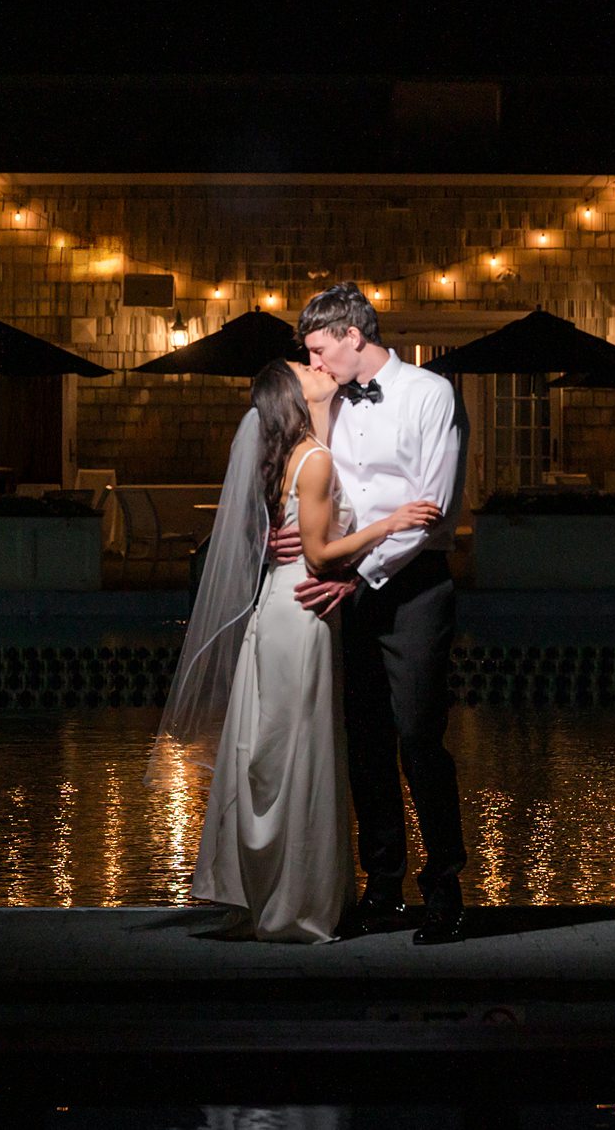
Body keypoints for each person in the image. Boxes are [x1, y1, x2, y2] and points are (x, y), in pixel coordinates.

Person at [157, 355, 442, 943]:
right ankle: (296, 901)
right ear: (294, 393)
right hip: (305, 609)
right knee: (301, 753)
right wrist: (390, 524)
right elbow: (316, 555)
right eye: (304, 366)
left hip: (278, 606)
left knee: (275, 750)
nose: (316, 366)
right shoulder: (313, 459)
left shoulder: (286, 456)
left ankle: (269, 891)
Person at [273, 282, 469, 944]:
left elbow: (431, 509)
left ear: (353, 333)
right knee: (365, 745)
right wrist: (293, 530)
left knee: (418, 736)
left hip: (414, 588)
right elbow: (314, 480)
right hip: (344, 586)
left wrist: (356, 576)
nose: (315, 360)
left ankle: (444, 885)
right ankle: (382, 886)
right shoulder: (326, 402)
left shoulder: (430, 394)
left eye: (319, 346)